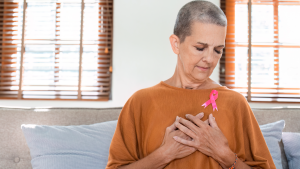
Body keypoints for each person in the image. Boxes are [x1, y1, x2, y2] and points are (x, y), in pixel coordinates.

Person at [106, 1, 276, 169]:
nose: (210, 59)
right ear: (176, 44)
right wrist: (163, 155)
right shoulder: (140, 102)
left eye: (217, 50)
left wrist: (224, 155)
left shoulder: (235, 104)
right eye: (200, 48)